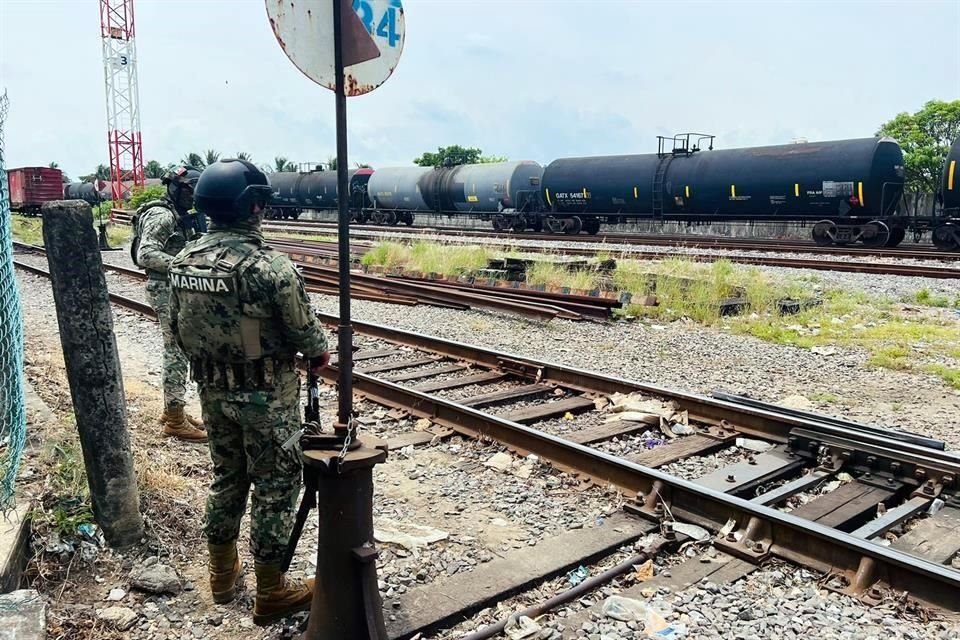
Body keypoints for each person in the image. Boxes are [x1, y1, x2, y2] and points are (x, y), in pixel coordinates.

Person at [167, 159, 330, 626]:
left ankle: (222, 577)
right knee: (276, 486)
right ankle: (272, 590)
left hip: (213, 393)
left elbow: (177, 330)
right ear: (254, 206)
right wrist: (317, 354)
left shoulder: (183, 263)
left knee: (227, 477)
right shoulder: (269, 268)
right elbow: (309, 340)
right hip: (267, 398)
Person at [136, 166, 208, 442]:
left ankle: (172, 409)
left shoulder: (176, 213)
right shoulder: (162, 215)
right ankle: (176, 419)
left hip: (173, 288)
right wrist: (183, 266)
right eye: (190, 190)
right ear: (177, 188)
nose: (193, 197)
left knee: (179, 349)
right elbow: (146, 253)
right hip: (165, 290)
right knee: (176, 352)